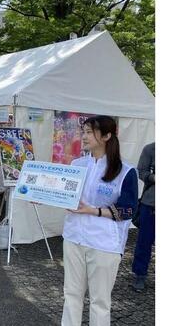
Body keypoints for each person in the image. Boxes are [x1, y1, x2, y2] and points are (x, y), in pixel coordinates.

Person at [61, 116, 138, 326]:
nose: (83, 136)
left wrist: (93, 211)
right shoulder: (77, 164)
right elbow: (64, 193)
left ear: (106, 135)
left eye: (89, 132)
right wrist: (42, 196)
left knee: (100, 302)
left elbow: (129, 209)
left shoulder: (125, 171)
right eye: (83, 131)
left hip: (104, 244)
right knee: (71, 295)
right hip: (73, 238)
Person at [131, 142, 155, 291]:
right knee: (144, 241)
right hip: (152, 203)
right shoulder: (151, 148)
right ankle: (140, 275)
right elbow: (140, 171)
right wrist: (153, 177)